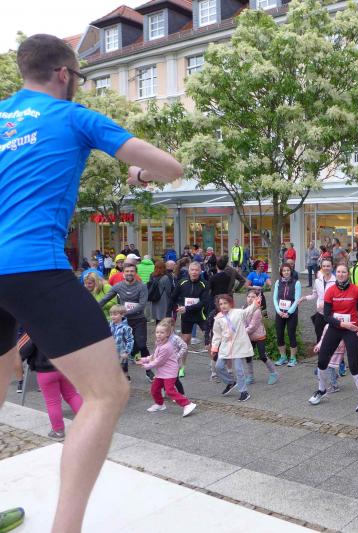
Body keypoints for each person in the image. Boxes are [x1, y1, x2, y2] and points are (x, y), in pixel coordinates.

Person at [0, 33, 183, 533]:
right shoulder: (72, 116)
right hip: (33, 267)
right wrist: (139, 177)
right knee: (106, 393)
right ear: (65, 74)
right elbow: (171, 167)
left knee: (3, 374)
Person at [308, 264, 358, 412]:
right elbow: (327, 316)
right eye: (339, 272)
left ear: (348, 274)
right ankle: (321, 390)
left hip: (351, 330)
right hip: (335, 328)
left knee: (353, 365)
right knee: (322, 360)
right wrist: (342, 324)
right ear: (336, 273)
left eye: (344, 272)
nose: (341, 274)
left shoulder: (356, 290)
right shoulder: (331, 291)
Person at [19, 333, 83, 440]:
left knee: (52, 402)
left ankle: (58, 431)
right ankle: (89, 423)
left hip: (46, 371)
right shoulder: (65, 325)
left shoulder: (35, 327)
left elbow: (22, 351)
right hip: (66, 368)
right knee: (72, 395)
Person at [98, 264, 152, 379]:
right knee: (123, 347)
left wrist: (124, 313)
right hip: (124, 322)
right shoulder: (119, 286)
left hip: (138, 320)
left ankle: (148, 371)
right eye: (127, 271)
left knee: (141, 345)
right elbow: (106, 298)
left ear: (135, 273)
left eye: (132, 271)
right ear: (123, 273)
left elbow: (142, 305)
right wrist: (95, 307)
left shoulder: (142, 286)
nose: (129, 273)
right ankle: (125, 374)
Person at [136, 322, 197, 417]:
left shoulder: (166, 347)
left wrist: (147, 366)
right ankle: (159, 404)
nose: (159, 334)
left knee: (169, 391)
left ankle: (187, 404)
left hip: (169, 373)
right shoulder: (159, 343)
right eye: (157, 332)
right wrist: (143, 360)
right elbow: (154, 356)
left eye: (162, 332)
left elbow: (159, 361)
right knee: (154, 389)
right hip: (162, 373)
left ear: (168, 334)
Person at [211, 293, 262, 402]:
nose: (223, 306)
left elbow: (248, 311)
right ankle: (230, 382)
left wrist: (255, 303)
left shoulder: (238, 313)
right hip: (226, 346)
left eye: (225, 303)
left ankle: (244, 392)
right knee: (218, 366)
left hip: (239, 345)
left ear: (230, 303)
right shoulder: (218, 318)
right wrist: (214, 347)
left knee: (239, 369)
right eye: (221, 304)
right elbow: (217, 334)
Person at [171, 262, 211, 378]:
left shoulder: (204, 284)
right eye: (192, 270)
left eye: (196, 270)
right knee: (185, 341)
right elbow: (173, 298)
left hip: (201, 315)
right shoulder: (182, 282)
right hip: (186, 316)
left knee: (209, 338)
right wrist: (177, 307)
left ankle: (213, 365)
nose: (194, 272)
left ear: (200, 271)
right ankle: (182, 367)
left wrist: (187, 308)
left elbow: (204, 302)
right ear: (188, 271)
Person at [244, 289, 279, 385]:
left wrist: (241, 332)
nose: (250, 299)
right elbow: (242, 322)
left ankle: (274, 373)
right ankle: (250, 376)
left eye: (253, 297)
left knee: (262, 356)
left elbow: (252, 326)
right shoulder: (244, 309)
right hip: (249, 337)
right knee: (248, 356)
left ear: (257, 299)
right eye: (248, 297)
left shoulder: (257, 311)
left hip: (259, 336)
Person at [273, 263, 302, 367]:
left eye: (288, 270)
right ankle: (283, 357)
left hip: (291, 313)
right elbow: (275, 298)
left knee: (291, 334)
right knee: (279, 334)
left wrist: (289, 312)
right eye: (284, 270)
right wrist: (278, 311)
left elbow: (297, 299)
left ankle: (293, 358)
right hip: (280, 313)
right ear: (281, 272)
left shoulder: (296, 283)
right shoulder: (278, 282)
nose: (286, 272)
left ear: (291, 271)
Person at [305, 258, 336, 342]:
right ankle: (320, 350)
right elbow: (315, 294)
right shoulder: (317, 281)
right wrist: (304, 298)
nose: (326, 268)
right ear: (321, 267)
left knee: (331, 337)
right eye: (324, 266)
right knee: (319, 335)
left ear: (332, 267)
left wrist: (326, 303)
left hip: (332, 314)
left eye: (328, 266)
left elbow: (338, 299)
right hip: (320, 313)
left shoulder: (336, 282)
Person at [108, 304, 135, 381]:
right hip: (112, 351)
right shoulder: (110, 325)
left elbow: (130, 340)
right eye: (111, 314)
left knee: (123, 367)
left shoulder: (126, 328)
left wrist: (126, 352)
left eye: (115, 314)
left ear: (122, 315)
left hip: (122, 352)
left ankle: (126, 377)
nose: (112, 316)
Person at [149, 259, 173, 325]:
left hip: (154, 299)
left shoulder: (152, 275)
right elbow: (168, 291)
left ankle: (158, 330)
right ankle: (162, 331)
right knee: (164, 319)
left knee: (157, 319)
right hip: (163, 300)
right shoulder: (165, 277)